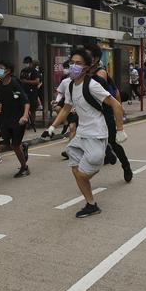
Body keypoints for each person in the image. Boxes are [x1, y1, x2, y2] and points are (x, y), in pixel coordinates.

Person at [42, 48, 127, 218]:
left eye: (78, 63)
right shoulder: (71, 85)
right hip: (81, 135)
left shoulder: (93, 85)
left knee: (82, 174)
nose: (73, 66)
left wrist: (120, 130)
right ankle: (91, 204)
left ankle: (102, 159)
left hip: (96, 135)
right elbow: (66, 108)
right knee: (75, 168)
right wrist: (52, 128)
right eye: (72, 62)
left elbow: (116, 105)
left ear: (87, 68)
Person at [83, 43, 133, 182]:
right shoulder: (85, 73)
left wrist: (119, 107)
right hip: (91, 114)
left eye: (88, 56)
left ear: (96, 58)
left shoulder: (100, 73)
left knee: (113, 141)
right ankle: (108, 153)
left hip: (105, 113)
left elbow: (112, 93)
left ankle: (126, 165)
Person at [0, 60, 31, 178]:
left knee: (14, 145)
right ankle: (22, 147)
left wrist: (25, 116)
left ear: (8, 71)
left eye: (1, 68)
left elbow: (26, 101)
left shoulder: (14, 83)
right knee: (4, 144)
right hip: (5, 119)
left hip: (18, 120)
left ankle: (24, 167)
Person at [19, 56, 41, 128]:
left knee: (32, 109)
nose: (26, 64)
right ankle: (26, 121)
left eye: (27, 63)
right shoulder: (23, 71)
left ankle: (32, 123)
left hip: (32, 92)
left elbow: (37, 81)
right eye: (25, 63)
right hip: (24, 91)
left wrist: (27, 81)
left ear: (31, 63)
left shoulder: (34, 71)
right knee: (24, 107)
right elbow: (21, 80)